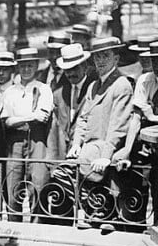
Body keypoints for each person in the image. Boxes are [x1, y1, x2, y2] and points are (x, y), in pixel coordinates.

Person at [48, 37, 133, 225]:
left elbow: (118, 126)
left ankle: (99, 210)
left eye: (106, 56)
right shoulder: (94, 86)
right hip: (88, 147)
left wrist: (106, 155)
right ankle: (96, 209)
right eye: (97, 57)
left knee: (65, 172)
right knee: (60, 173)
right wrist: (76, 144)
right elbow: (83, 119)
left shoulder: (121, 84)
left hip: (104, 148)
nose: (100, 61)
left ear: (116, 59)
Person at [114, 40, 158, 223]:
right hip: (157, 149)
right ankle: (156, 225)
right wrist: (126, 149)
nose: (157, 66)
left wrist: (155, 118)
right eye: (154, 61)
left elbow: (149, 115)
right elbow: (136, 118)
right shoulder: (145, 80)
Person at [1, 48, 53, 221]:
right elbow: (8, 121)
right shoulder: (10, 92)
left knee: (37, 184)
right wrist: (30, 117)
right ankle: (14, 227)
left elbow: (43, 117)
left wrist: (20, 118)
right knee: (13, 185)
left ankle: (37, 227)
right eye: (22, 66)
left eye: (30, 66)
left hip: (37, 140)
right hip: (15, 141)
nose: (26, 70)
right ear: (17, 67)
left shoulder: (44, 89)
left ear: (36, 66)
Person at [46, 43, 96, 163]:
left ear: (84, 66)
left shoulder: (95, 90)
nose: (71, 74)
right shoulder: (59, 94)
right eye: (67, 70)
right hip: (64, 156)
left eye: (75, 68)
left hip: (86, 155)